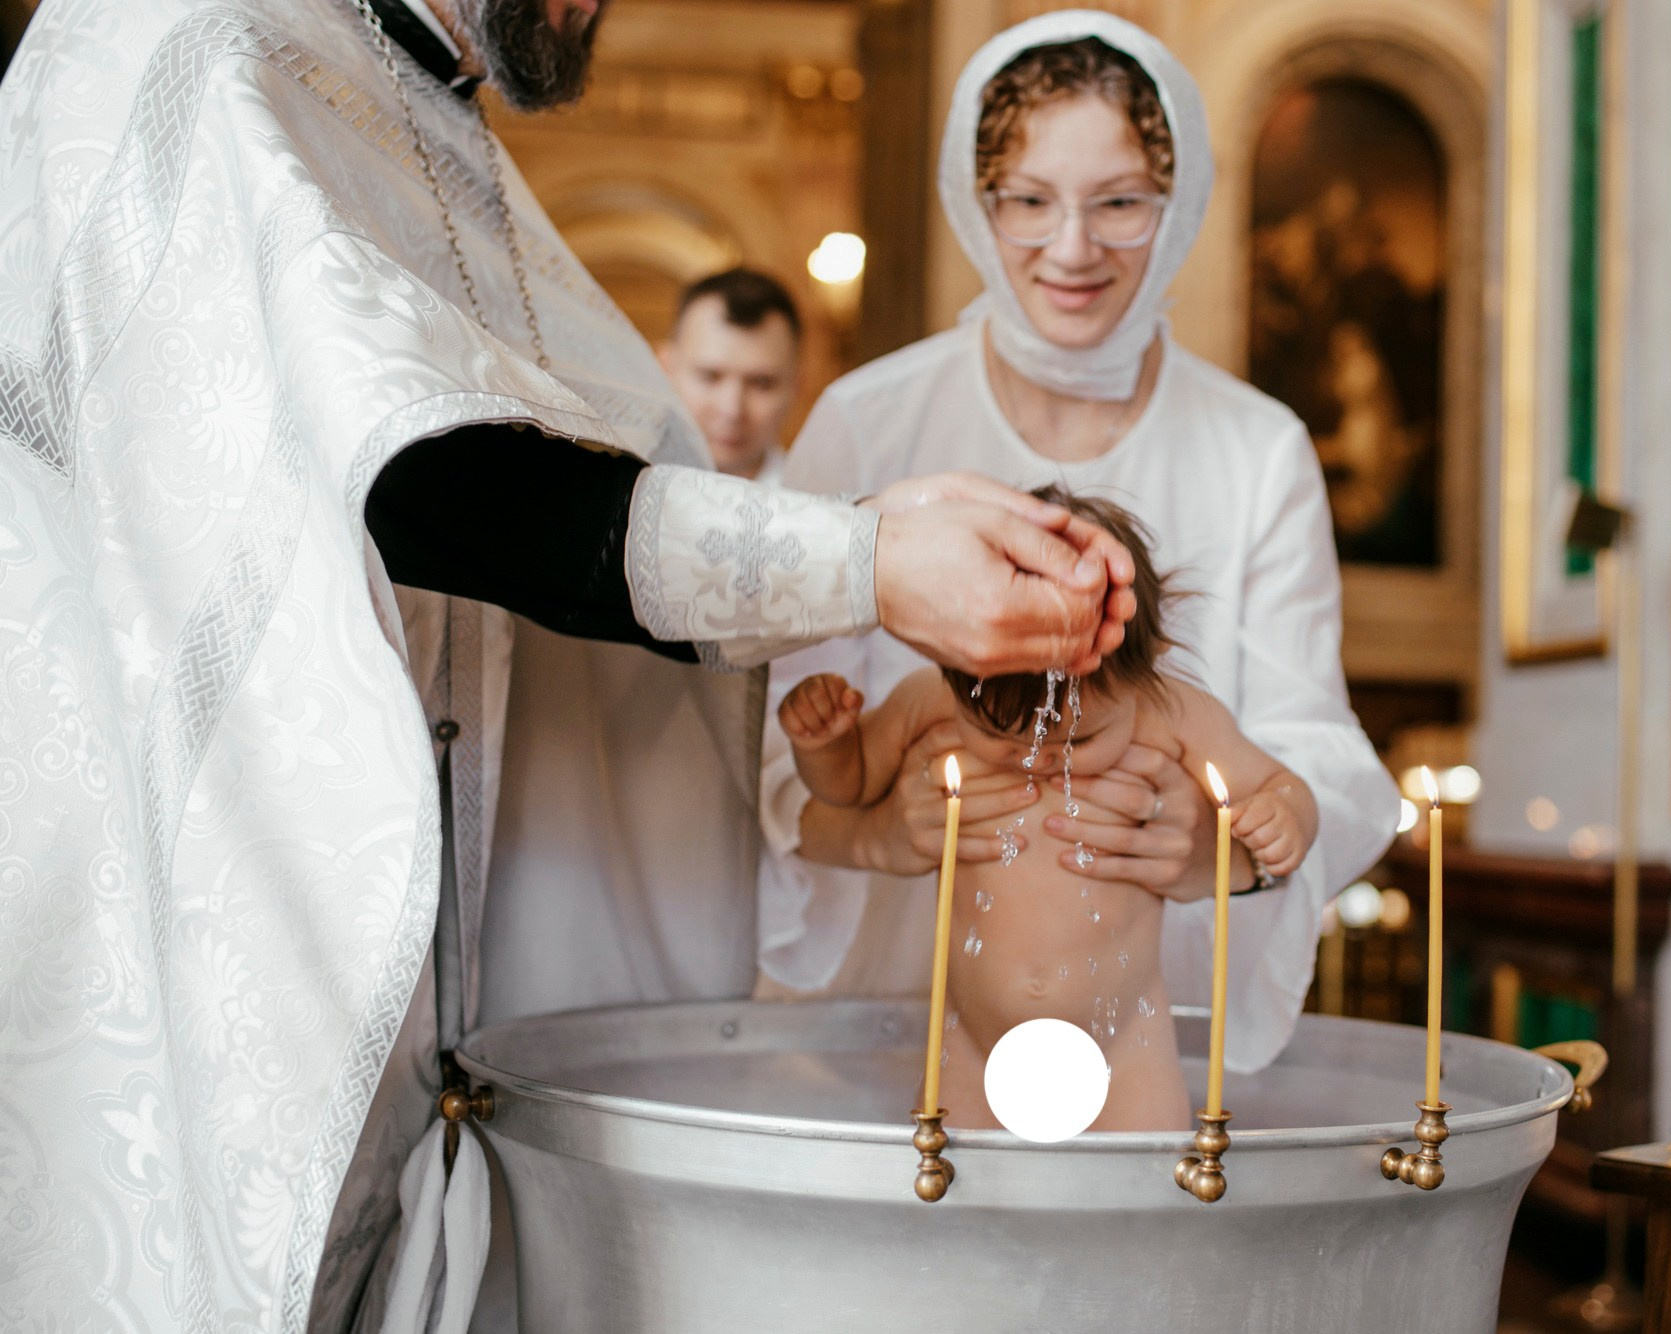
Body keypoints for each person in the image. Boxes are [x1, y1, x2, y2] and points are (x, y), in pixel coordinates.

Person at [0, 3, 1140, 1332]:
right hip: (207, 1008)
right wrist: (865, 560)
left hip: (435, 1061)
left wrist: (819, 793)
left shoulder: (418, 113)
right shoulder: (186, 38)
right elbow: (430, 492)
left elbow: (560, 578)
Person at [756, 12, 1399, 1077]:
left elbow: (1318, 752)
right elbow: (771, 752)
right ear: (976, 200)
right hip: (890, 1015)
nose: (1071, 248)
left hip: (1147, 1021)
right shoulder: (867, 423)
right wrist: (873, 832)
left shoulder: (1257, 449)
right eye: (1028, 200)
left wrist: (1218, 852)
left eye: (1119, 202)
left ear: (1177, 200)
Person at [778, 489, 1318, 1130]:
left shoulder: (1173, 714)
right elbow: (852, 783)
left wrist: (1282, 818)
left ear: (1147, 672)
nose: (1036, 759)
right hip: (971, 1038)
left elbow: (1283, 784)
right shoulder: (930, 700)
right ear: (959, 662)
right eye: (1001, 737)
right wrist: (826, 742)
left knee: (1143, 1199)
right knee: (954, 1194)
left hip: (1126, 1039)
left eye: (1080, 742)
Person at [656, 267, 800, 483]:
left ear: (797, 385)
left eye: (761, 383)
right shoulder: (612, 491)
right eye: (710, 376)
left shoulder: (830, 510)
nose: (732, 410)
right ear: (665, 369)